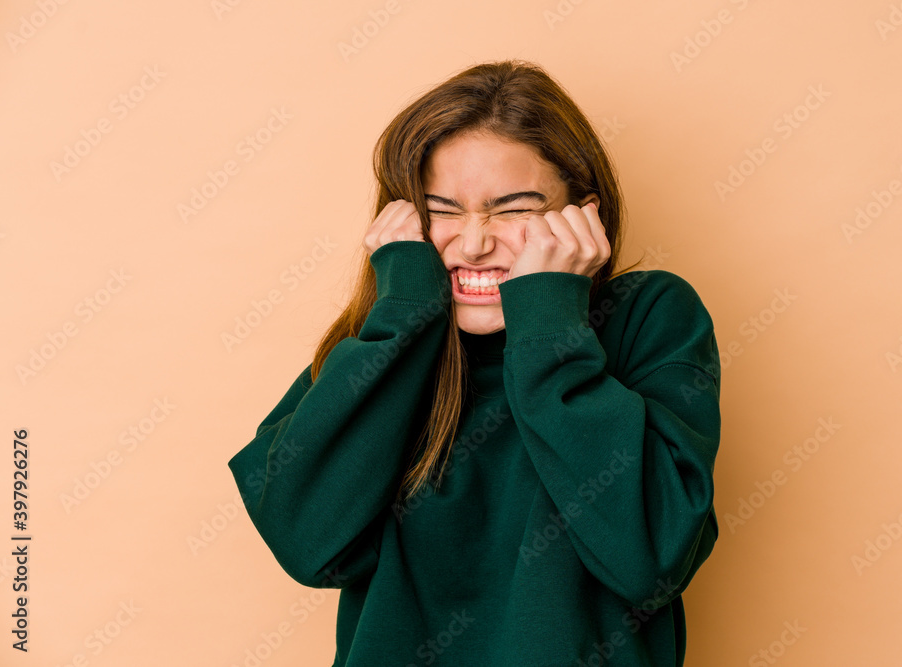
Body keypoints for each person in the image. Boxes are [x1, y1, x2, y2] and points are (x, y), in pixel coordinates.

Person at [228, 58, 722, 667]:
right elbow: (307, 543)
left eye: (514, 208)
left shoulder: (647, 315)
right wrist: (404, 313)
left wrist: (548, 320)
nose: (474, 241)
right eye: (442, 209)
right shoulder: (387, 339)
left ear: (584, 215)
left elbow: (649, 556)